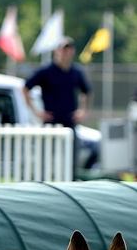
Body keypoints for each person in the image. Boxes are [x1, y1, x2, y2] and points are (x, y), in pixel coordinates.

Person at [22, 36, 91, 177]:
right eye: (63, 49)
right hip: (50, 124)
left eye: (68, 49)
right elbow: (25, 88)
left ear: (72, 51)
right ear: (56, 51)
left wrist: (83, 111)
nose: (66, 52)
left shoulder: (76, 72)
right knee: (45, 160)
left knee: (71, 162)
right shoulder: (46, 71)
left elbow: (87, 91)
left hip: (69, 123)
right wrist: (36, 111)